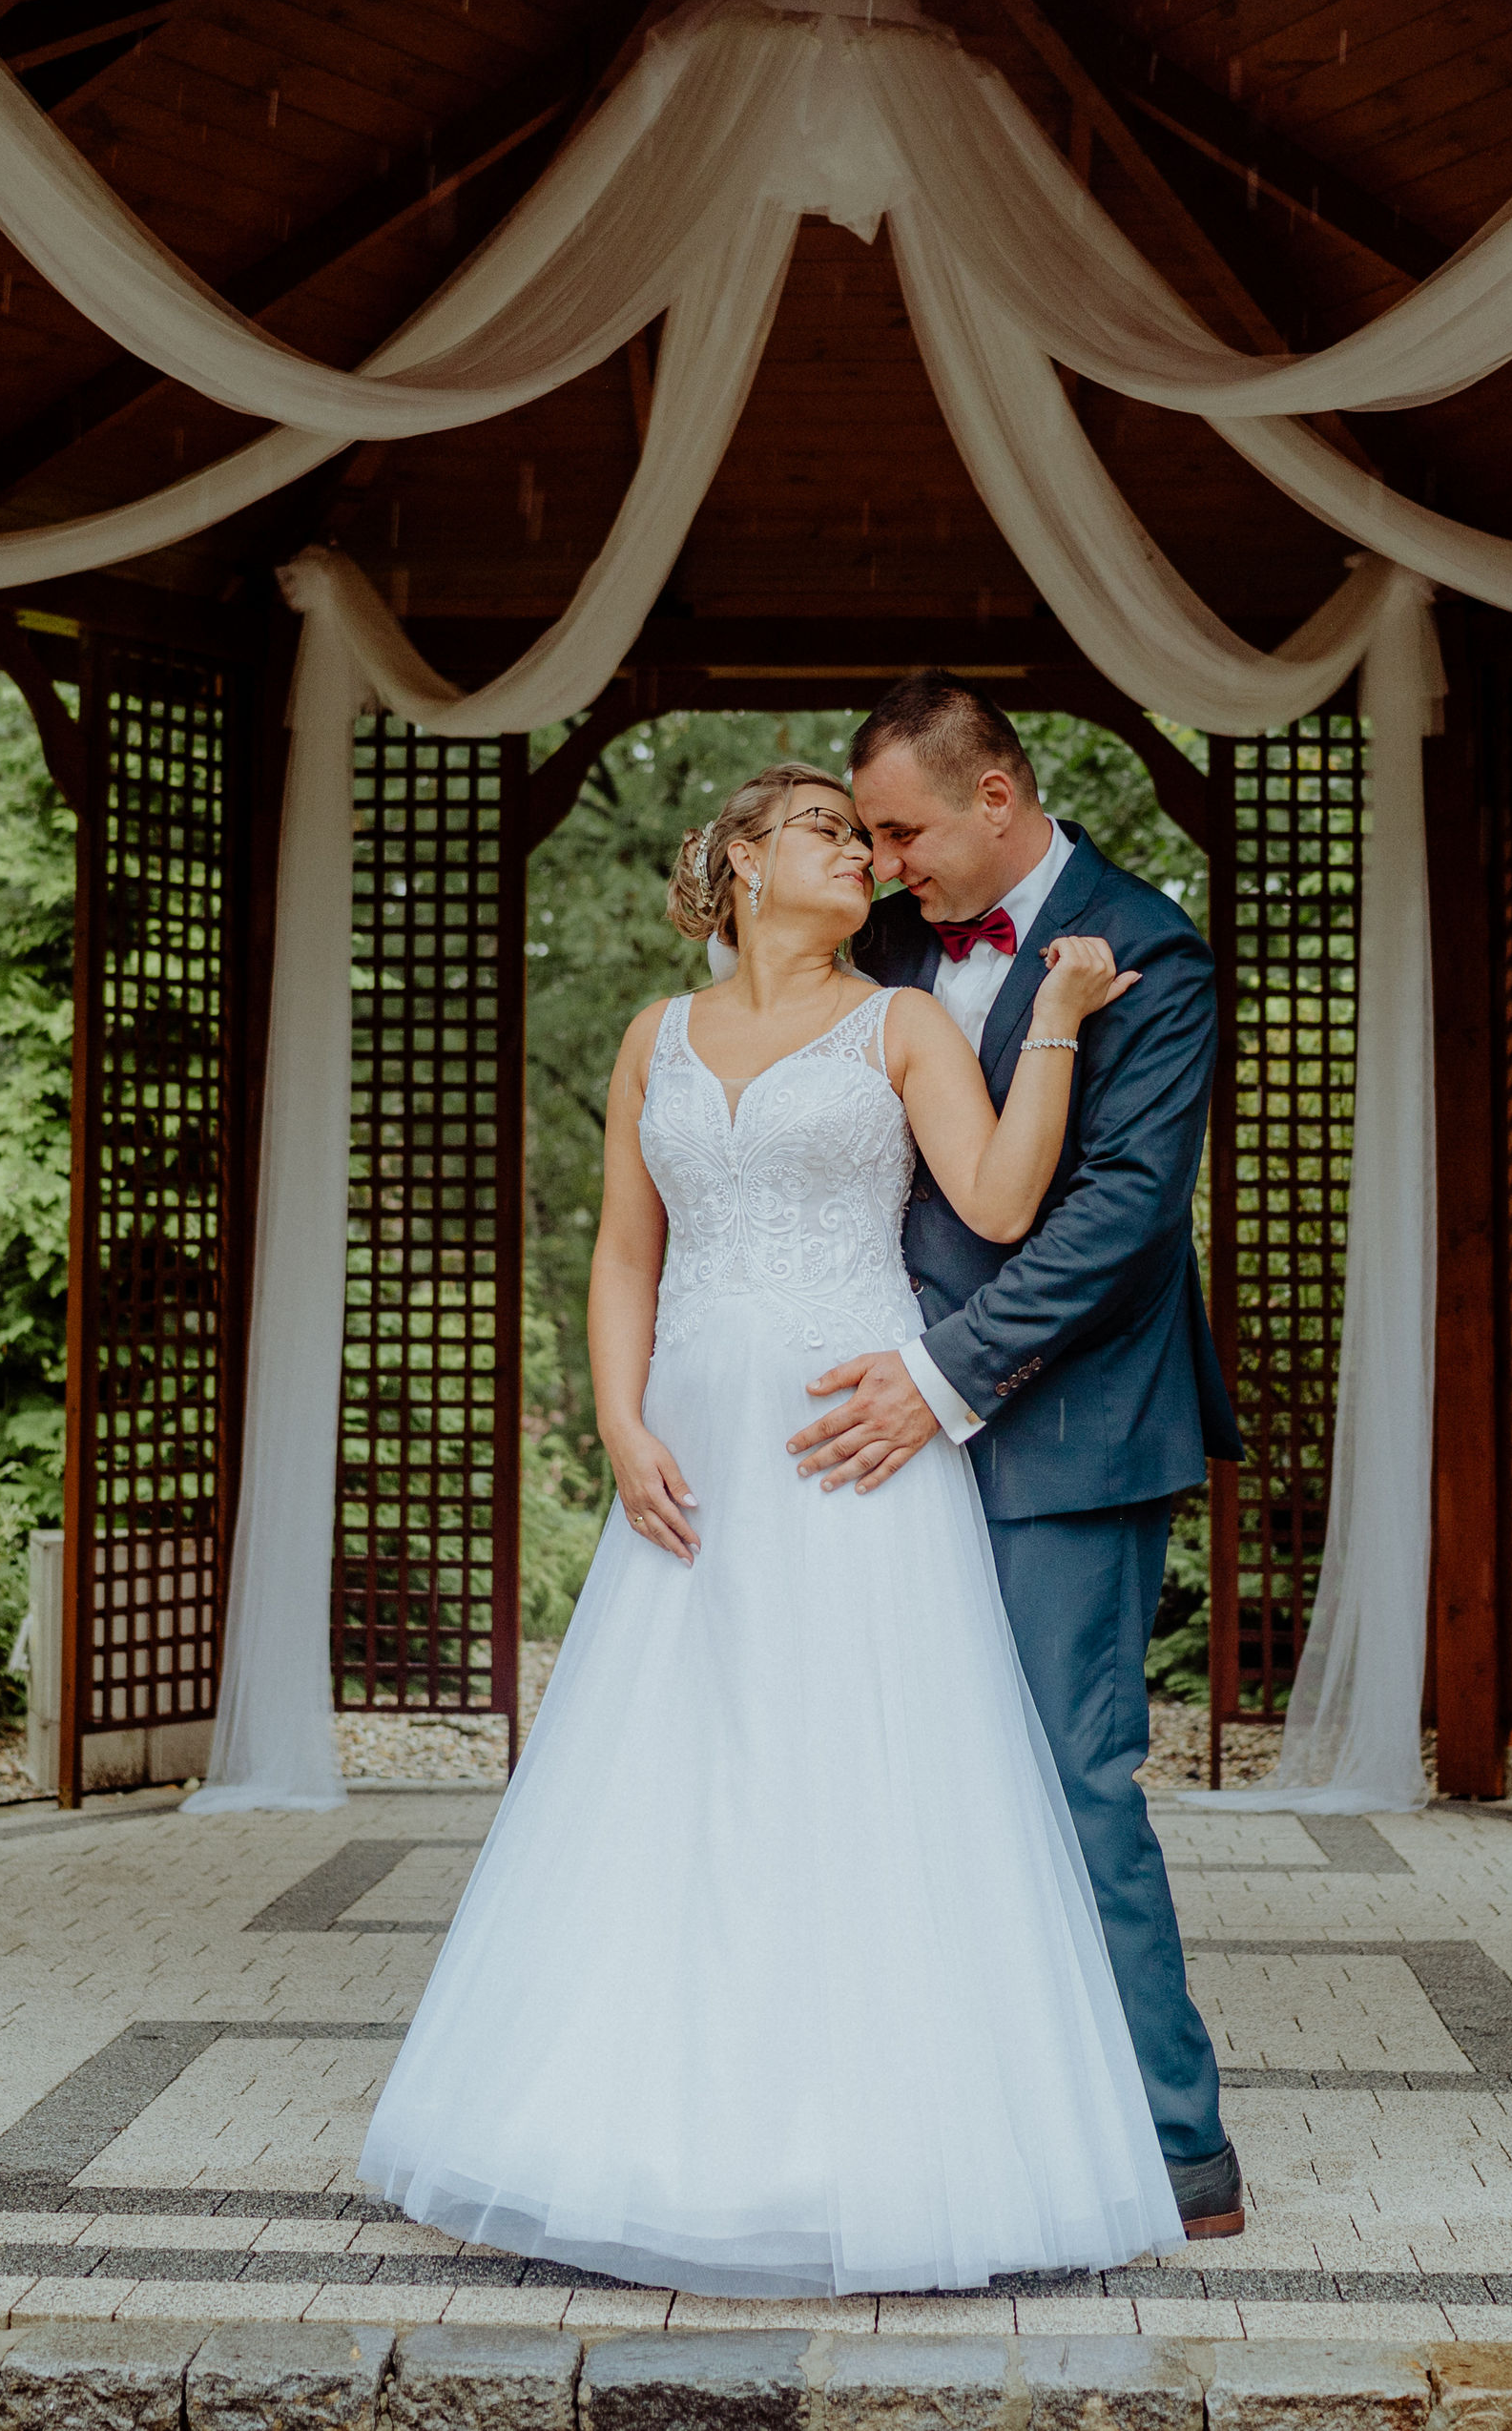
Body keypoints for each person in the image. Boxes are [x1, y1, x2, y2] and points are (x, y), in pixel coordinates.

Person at [359, 758, 1189, 2298]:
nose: (862, 852)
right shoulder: (653, 1035)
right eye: (827, 829)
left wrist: (1062, 1020)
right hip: (692, 1459)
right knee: (674, 1769)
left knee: (857, 1773)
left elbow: (1004, 1201)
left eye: (871, 836)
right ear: (742, 860)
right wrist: (620, 1427)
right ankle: (641, 2124)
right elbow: (626, 1252)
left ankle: (865, 2147)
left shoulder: (904, 1022)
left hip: (847, 1450)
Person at [796, 674, 1246, 2241]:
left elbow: (1125, 1218)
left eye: (902, 830)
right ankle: (964, 2115)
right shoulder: (889, 947)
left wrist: (941, 1375)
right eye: (867, 837)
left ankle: (1179, 2143)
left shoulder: (1153, 949)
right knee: (911, 1771)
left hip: (1072, 1429)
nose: (886, 861)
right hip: (887, 1429)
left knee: (1070, 1775)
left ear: (995, 795)